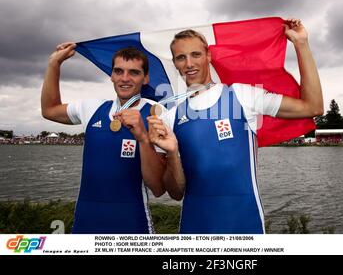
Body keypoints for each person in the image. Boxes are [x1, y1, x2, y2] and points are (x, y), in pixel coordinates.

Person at [147, 18, 324, 234]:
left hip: (245, 228)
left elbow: (313, 107)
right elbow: (175, 192)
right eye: (181, 57)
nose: (189, 63)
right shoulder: (170, 117)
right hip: (195, 230)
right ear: (175, 63)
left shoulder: (242, 95)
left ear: (208, 56)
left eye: (196, 54)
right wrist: (172, 153)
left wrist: (301, 44)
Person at [41, 44, 166, 234]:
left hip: (131, 224)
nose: (125, 78)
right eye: (118, 71)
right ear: (112, 76)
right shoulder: (92, 107)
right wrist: (54, 64)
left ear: (145, 78)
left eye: (134, 72)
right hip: (85, 222)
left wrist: (143, 138)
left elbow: (158, 188)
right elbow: (49, 110)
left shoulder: (157, 114)